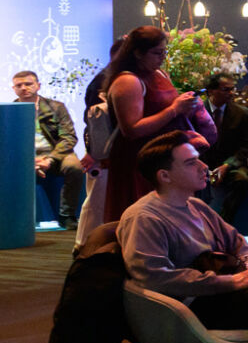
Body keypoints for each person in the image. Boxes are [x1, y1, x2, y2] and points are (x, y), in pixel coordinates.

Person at [119, 133, 248, 329]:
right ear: (164, 176)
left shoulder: (195, 205)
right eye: (191, 163)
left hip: (226, 287)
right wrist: (233, 281)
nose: (204, 167)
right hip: (194, 308)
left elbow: (236, 241)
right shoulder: (144, 218)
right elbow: (155, 277)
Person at [95, 25, 216, 226]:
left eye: (164, 53)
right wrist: (174, 109)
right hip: (138, 160)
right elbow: (132, 129)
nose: (161, 58)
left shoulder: (159, 74)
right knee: (142, 220)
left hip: (163, 157)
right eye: (157, 53)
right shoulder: (128, 81)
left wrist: (186, 106)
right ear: (138, 53)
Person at [15, 70, 84, 227]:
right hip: (27, 154)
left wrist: (50, 159)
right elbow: (10, 141)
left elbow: (69, 137)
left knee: (74, 167)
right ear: (14, 89)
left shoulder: (56, 107)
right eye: (19, 85)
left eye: (28, 84)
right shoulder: (11, 110)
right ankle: (17, 218)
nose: (24, 88)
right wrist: (29, 160)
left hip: (56, 152)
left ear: (38, 85)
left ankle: (67, 214)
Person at [195, 73, 248, 220]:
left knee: (241, 180)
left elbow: (246, 147)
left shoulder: (241, 113)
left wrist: (226, 166)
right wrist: (203, 167)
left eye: (232, 89)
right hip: (202, 163)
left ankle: (224, 222)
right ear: (211, 91)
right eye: (226, 89)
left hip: (231, 164)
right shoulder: (196, 112)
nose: (231, 93)